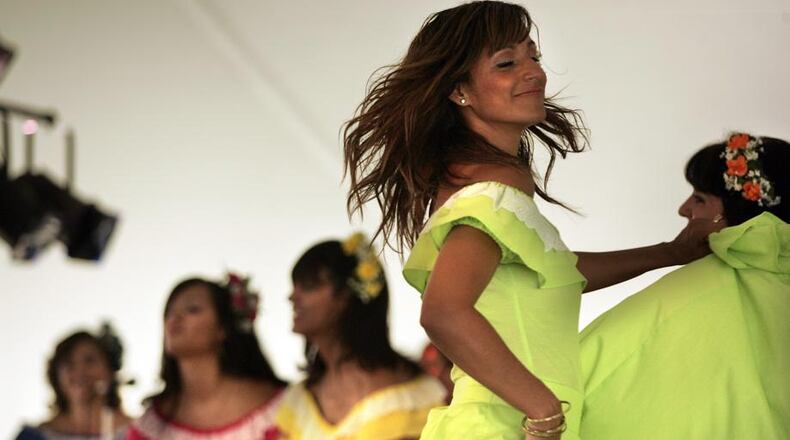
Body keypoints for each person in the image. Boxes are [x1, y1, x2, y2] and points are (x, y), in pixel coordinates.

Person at [342, 2, 718, 438]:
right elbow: (444, 311)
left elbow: (553, 270)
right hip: (503, 426)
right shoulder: (488, 193)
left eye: (533, 57)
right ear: (459, 90)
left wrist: (669, 253)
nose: (535, 73)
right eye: (507, 63)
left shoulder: (491, 186)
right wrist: (541, 408)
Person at [580, 133, 790, 438]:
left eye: (700, 198)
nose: (683, 208)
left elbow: (587, 378)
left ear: (730, 212)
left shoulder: (691, 291)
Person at [275, 233, 446, 439]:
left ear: (346, 296)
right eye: (295, 286)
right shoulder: (299, 402)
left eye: (310, 285)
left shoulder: (412, 397)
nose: (292, 297)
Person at [126, 274, 286, 440]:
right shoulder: (150, 426)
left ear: (223, 328)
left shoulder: (278, 406)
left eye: (192, 309)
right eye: (169, 313)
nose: (175, 319)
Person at [16, 324, 131, 440]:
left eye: (89, 361)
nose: (79, 372)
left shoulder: (139, 433)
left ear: (111, 371)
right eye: (69, 363)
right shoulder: (32, 436)